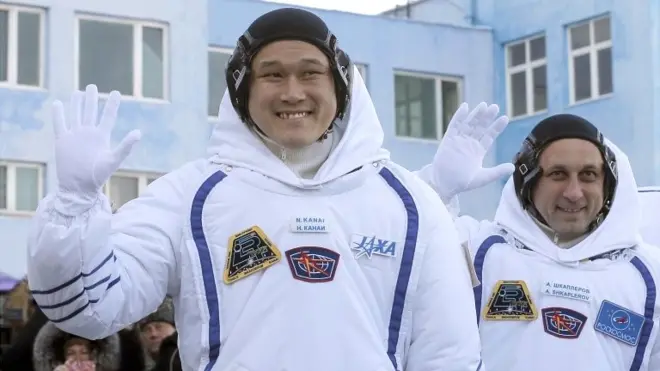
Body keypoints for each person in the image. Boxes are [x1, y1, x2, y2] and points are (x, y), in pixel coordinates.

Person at [26, 7, 483, 371]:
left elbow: (449, 353)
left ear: (341, 87)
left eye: (310, 73)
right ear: (243, 89)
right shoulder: (191, 195)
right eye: (271, 75)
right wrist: (75, 207)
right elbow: (87, 308)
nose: (292, 92)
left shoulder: (409, 202)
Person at [417, 105, 660, 370]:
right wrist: (436, 188)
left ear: (609, 184)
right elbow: (408, 254)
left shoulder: (648, 274)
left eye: (588, 175)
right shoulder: (479, 250)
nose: (574, 192)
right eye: (558, 174)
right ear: (527, 181)